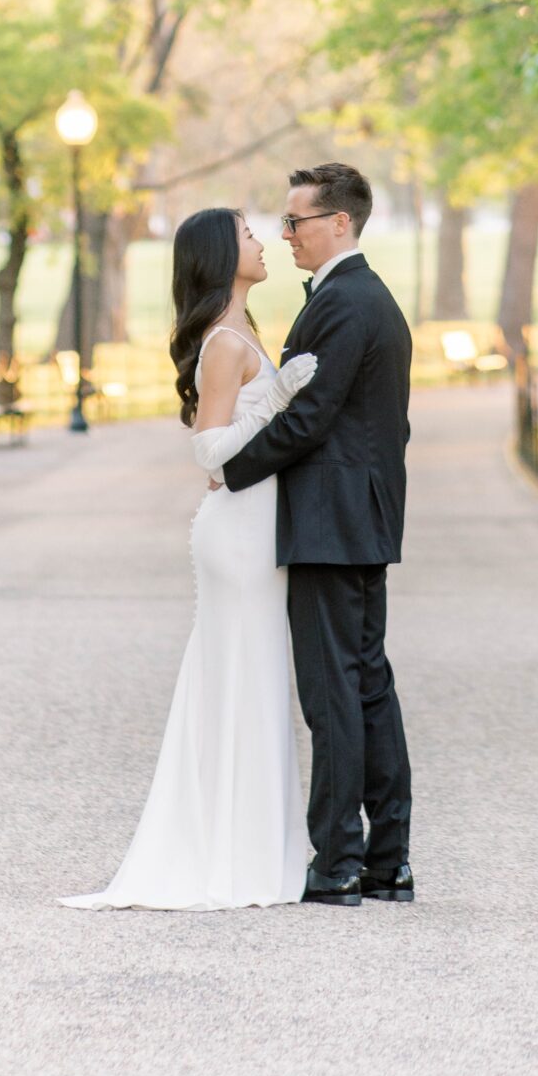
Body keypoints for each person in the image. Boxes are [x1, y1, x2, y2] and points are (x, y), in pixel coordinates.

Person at [63, 204, 317, 909]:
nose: (261, 242)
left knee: (257, 677)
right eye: (245, 235)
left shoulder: (244, 331)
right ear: (216, 254)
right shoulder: (222, 344)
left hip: (256, 525)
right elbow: (208, 452)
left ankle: (260, 846)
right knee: (242, 674)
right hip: (236, 532)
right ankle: (236, 855)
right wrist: (281, 403)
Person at [222, 161, 415, 906]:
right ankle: (385, 859)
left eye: (295, 221)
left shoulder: (345, 302)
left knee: (334, 692)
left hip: (333, 521)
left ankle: (337, 859)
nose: (285, 233)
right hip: (357, 517)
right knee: (366, 685)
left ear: (339, 222)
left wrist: (230, 467)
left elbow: (310, 416)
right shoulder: (362, 299)